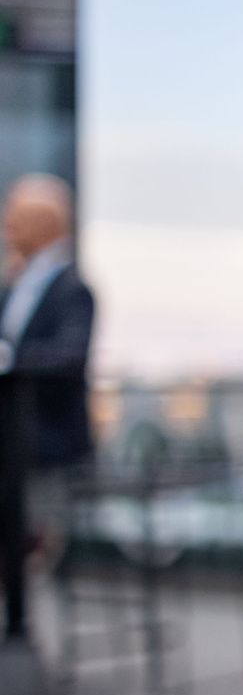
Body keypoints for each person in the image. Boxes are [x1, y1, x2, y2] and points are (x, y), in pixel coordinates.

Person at [0, 173, 93, 640]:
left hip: (44, 443)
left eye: (15, 219)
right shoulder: (15, 285)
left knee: (30, 539)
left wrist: (11, 359)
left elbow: (70, 356)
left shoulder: (72, 289)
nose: (6, 228)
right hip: (11, 441)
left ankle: (23, 634)